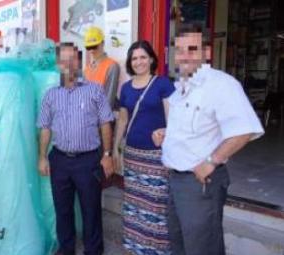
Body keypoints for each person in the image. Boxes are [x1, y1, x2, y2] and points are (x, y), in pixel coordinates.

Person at [152, 31, 264, 255]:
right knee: (179, 241)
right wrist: (167, 133)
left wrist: (212, 161)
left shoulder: (221, 84)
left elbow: (244, 130)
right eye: (179, 50)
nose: (184, 56)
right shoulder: (181, 86)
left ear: (207, 52)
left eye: (192, 49)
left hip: (200, 181)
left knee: (202, 247)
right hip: (176, 180)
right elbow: (197, 127)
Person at [38, 42, 115, 255]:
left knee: (91, 209)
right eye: (63, 59)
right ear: (58, 63)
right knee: (62, 210)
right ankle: (66, 248)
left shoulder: (94, 90)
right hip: (59, 160)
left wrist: (107, 155)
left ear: (79, 61)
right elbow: (44, 127)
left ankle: (93, 250)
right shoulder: (51, 95)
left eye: (72, 58)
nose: (68, 64)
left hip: (88, 160)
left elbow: (105, 123)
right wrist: (42, 157)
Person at [112, 40, 174, 255]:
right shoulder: (126, 88)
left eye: (143, 57)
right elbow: (122, 120)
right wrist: (115, 149)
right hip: (132, 155)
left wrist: (169, 142)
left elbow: (173, 119)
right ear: (130, 62)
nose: (138, 62)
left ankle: (157, 249)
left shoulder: (163, 84)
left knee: (156, 205)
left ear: (151, 59)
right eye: (134, 58)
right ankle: (135, 246)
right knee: (134, 204)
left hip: (156, 156)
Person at [83, 26, 120, 109]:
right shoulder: (87, 69)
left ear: (102, 43)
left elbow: (108, 101)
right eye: (89, 47)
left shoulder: (112, 66)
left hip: (102, 119)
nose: (92, 50)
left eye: (94, 46)